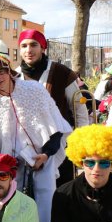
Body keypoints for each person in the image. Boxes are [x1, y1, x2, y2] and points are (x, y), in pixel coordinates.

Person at [0, 52, 71, 222]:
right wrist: (4, 169)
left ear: (10, 71)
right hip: (12, 170)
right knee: (14, 216)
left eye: (1, 71)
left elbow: (55, 127)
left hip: (43, 159)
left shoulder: (34, 90)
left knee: (46, 212)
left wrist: (45, 155)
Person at [17, 29, 88, 185]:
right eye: (24, 46)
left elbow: (79, 111)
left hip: (61, 146)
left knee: (60, 195)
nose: (28, 50)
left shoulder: (61, 73)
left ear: (43, 47)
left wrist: (79, 142)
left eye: (33, 45)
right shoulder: (15, 76)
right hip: (27, 149)